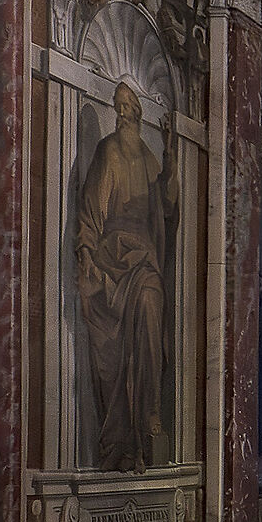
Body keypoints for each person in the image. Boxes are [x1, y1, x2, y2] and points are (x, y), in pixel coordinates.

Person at [75, 83, 181, 473]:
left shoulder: (151, 159)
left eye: (128, 108)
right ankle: (119, 438)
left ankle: (150, 417)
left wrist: (170, 158)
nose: (122, 115)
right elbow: (91, 208)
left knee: (152, 316)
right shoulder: (108, 151)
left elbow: (167, 208)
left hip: (144, 262)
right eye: (118, 108)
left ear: (138, 114)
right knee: (111, 354)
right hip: (112, 260)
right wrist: (87, 250)